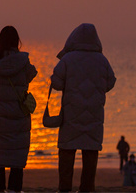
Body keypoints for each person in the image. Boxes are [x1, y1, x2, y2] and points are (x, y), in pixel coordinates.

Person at [51, 23, 116, 193]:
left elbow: (56, 83)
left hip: (71, 116)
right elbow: (110, 82)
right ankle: (87, 189)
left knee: (66, 153)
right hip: (94, 117)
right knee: (90, 154)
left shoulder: (68, 59)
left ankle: (65, 188)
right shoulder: (102, 60)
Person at [0, 26, 38, 193]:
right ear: (17, 41)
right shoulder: (23, 63)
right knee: (17, 153)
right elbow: (32, 74)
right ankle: (15, 189)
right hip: (17, 114)